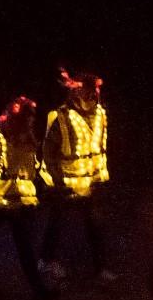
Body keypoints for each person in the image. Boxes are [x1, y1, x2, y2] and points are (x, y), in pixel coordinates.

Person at [0, 96, 56, 300]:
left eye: (31, 118)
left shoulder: (29, 140)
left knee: (25, 247)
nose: (30, 122)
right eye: (26, 118)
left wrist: (51, 186)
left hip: (20, 204)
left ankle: (38, 289)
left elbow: (36, 167)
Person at [39, 68, 114, 284]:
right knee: (57, 222)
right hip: (66, 183)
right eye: (88, 92)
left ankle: (101, 268)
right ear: (76, 93)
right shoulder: (61, 117)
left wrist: (99, 178)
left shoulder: (100, 114)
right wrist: (58, 180)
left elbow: (100, 147)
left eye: (94, 92)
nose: (92, 96)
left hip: (90, 183)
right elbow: (49, 152)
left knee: (96, 226)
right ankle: (47, 261)